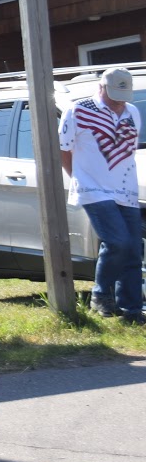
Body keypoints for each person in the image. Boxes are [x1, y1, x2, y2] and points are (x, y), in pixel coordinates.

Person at [60, 67, 143, 322]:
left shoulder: (133, 112)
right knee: (117, 241)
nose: (119, 102)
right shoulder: (78, 110)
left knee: (132, 247)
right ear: (101, 87)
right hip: (92, 187)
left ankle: (131, 309)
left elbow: (129, 150)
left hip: (126, 189)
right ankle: (100, 294)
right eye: (114, 95)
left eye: (123, 95)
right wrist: (77, 177)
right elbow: (64, 149)